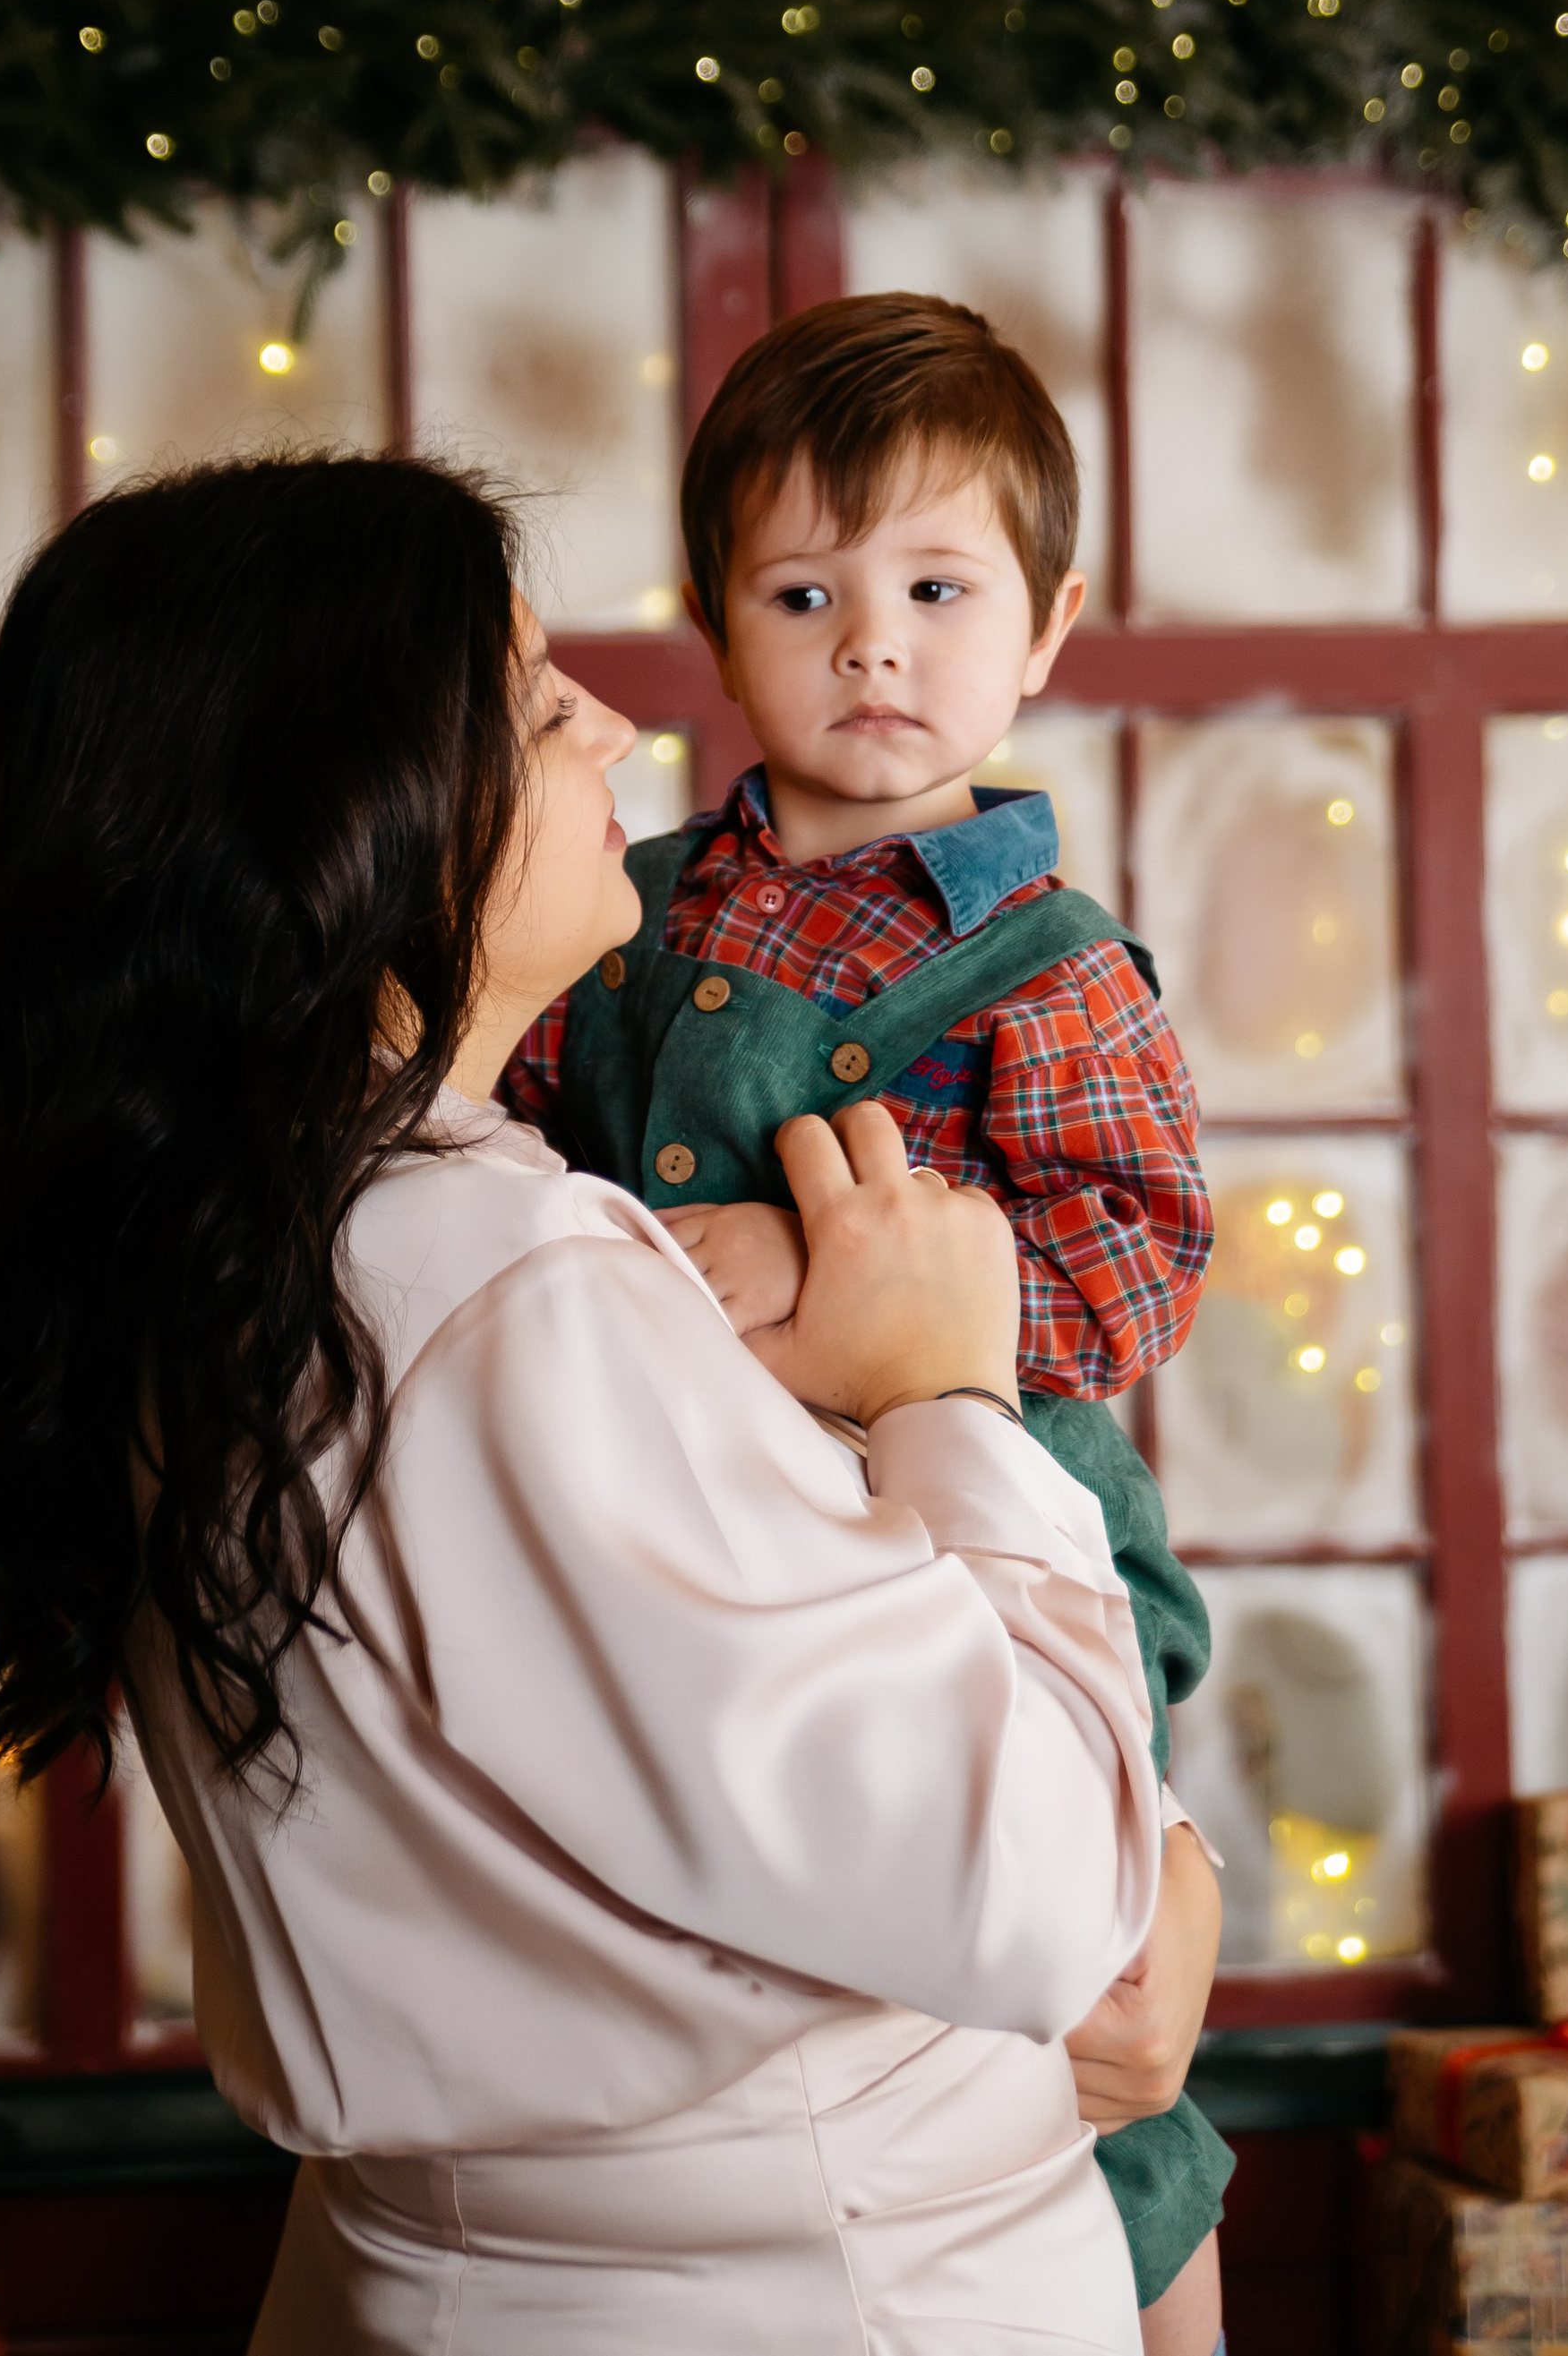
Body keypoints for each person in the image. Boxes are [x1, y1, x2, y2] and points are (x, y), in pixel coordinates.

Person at [0, 455, 1177, 2356]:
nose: (623, 724)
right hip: (805, 2293)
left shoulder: (214, 1247)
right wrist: (947, 1386)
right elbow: (1035, 1885)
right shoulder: (490, 1276)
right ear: (364, 807)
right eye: (544, 700)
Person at [502, 293, 1234, 2353]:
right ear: (716, 625)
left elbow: (1137, 1260)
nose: (871, 646)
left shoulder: (1040, 964)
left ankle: (1151, 2267)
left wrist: (831, 1273)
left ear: (1048, 624)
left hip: (999, 1506)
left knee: (1061, 1963)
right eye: (803, 592)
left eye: (935, 587)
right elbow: (522, 1128)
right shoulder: (624, 905)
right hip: (705, 1517)